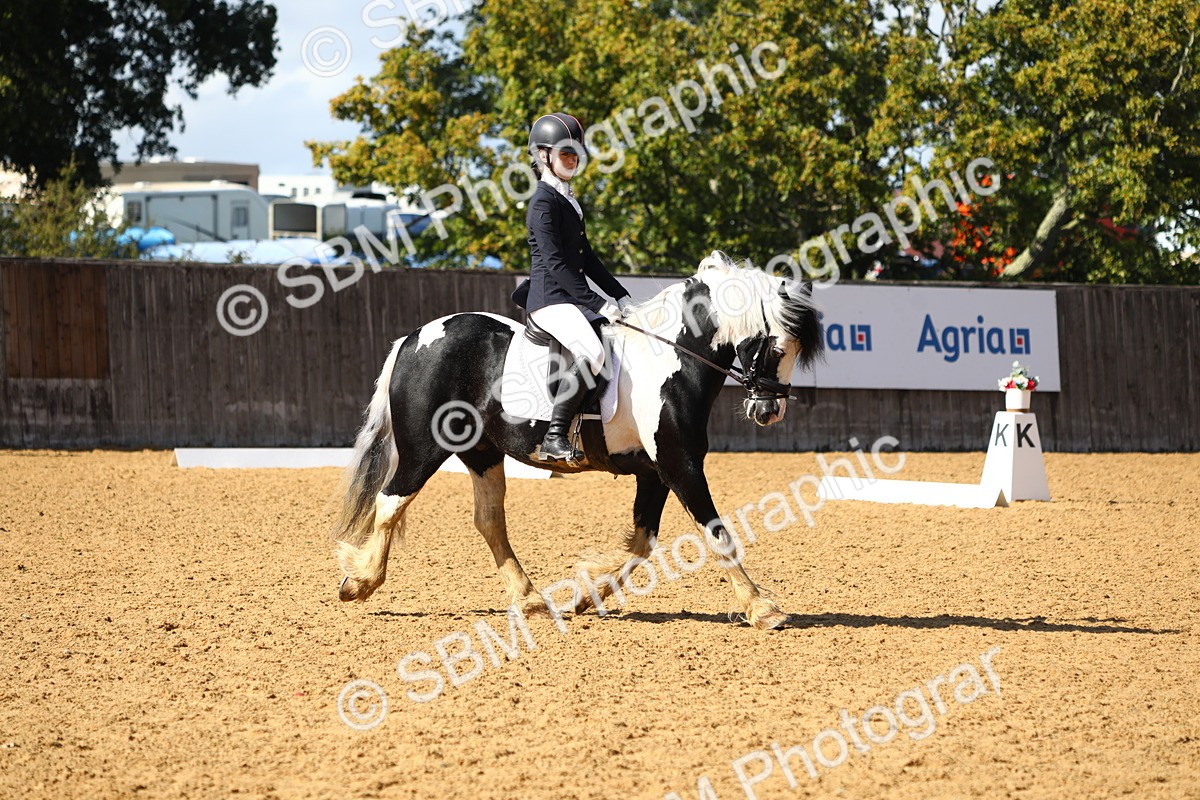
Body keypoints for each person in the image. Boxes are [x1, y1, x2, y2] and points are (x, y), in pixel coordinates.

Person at [514, 112, 634, 464]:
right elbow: (556, 265)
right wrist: (597, 303)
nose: (572, 160)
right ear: (543, 156)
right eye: (565, 153)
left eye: (575, 153)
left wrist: (619, 293)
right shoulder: (542, 203)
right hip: (550, 300)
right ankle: (554, 436)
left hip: (571, 298)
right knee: (594, 353)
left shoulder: (568, 199)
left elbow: (588, 259)